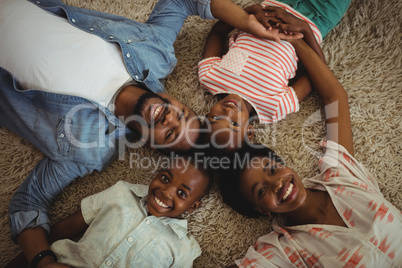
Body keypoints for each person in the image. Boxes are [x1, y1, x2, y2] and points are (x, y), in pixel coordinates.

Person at [0, 0, 300, 266]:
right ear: (178, 101)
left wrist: (43, 261)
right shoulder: (153, 52)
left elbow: (28, 203)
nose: (169, 117)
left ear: (151, 146)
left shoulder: (86, 149)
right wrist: (246, 21)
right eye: (181, 114)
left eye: (169, 133)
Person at [218, 35, 402, 266]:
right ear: (261, 210)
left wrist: (293, 39)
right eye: (261, 190)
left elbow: (335, 98)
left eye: (273, 169)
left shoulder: (340, 174)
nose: (277, 184)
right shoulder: (285, 249)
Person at [7, 154, 213, 267]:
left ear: (194, 206)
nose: (166, 192)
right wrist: (29, 259)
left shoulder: (184, 249)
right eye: (165, 179)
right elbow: (69, 226)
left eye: (182, 193)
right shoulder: (122, 192)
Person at [198, 0, 351, 152]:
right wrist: (305, 31)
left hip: (273, 6)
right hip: (316, 19)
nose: (228, 112)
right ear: (249, 131)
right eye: (235, 124)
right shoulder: (275, 107)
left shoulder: (209, 77)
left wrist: (250, 11)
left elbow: (217, 31)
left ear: (207, 115)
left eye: (216, 118)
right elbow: (317, 72)